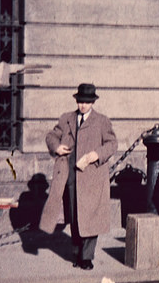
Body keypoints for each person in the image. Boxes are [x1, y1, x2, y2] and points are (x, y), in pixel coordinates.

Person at [39, 83, 118, 271]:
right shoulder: (67, 119)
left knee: (90, 218)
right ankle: (76, 253)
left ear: (93, 102)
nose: (83, 105)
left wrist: (96, 154)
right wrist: (56, 147)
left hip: (92, 178)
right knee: (75, 217)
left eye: (87, 102)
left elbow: (112, 143)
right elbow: (51, 136)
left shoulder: (101, 121)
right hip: (70, 176)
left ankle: (87, 257)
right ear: (76, 101)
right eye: (80, 101)